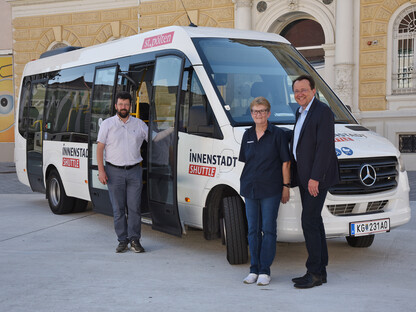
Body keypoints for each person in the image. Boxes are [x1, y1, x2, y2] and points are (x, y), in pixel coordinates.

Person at [290, 75, 339, 288]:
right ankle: (322, 270)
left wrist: (314, 178)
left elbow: (324, 148)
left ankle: (314, 272)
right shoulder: (300, 112)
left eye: (303, 89)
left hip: (316, 178)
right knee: (315, 221)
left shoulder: (323, 112)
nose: (300, 93)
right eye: (296, 90)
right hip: (305, 177)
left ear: (313, 90)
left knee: (309, 221)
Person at [239, 96, 291, 286]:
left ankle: (265, 270)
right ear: (251, 114)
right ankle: (253, 269)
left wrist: (286, 187)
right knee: (252, 230)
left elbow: (286, 162)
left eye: (262, 111)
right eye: (255, 111)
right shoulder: (247, 135)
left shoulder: (277, 134)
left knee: (268, 229)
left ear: (268, 113)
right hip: (249, 188)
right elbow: (247, 161)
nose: (258, 115)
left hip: (271, 189)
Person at [97, 91, 147, 253]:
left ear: (130, 106)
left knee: (134, 208)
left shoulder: (139, 124)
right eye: (121, 104)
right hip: (113, 172)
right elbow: (100, 148)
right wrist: (101, 170)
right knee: (118, 209)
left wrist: (171, 132)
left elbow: (154, 139)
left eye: (126, 104)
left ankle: (135, 240)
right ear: (115, 106)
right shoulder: (107, 124)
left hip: (134, 172)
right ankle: (122, 240)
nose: (123, 107)